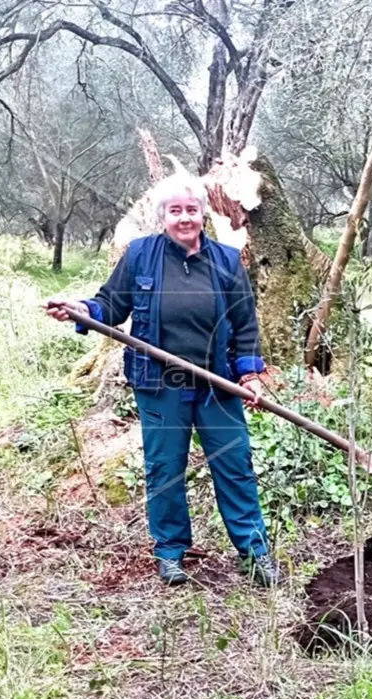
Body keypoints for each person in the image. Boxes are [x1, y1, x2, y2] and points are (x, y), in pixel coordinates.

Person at [46, 173, 280, 587]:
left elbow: (245, 325)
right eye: (176, 211)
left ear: (203, 214)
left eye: (192, 210)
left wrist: (250, 374)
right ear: (163, 217)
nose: (184, 218)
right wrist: (80, 309)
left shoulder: (226, 261)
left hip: (217, 385)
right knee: (164, 469)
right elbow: (109, 306)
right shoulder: (140, 256)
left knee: (235, 465)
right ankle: (171, 554)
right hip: (161, 384)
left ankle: (254, 552)